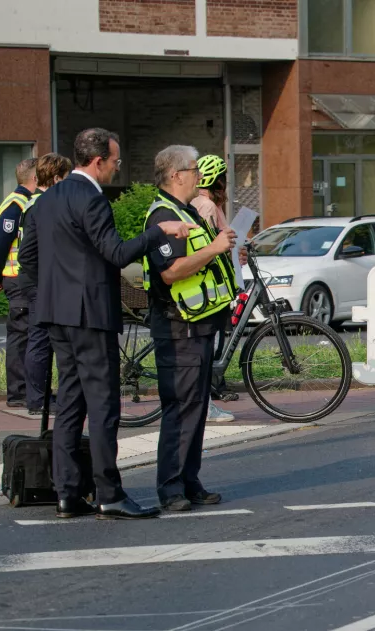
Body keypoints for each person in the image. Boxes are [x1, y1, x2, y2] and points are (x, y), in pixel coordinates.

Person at [20, 128, 194, 521]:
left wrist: (48, 295)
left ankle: (66, 493)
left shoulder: (45, 200)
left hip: (54, 313)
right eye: (115, 161)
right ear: (97, 161)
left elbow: (28, 259)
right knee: (102, 406)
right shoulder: (92, 199)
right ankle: (109, 493)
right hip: (90, 315)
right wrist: (157, 232)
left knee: (69, 401)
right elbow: (115, 253)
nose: (117, 167)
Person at [142, 145, 238, 511]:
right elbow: (171, 271)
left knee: (196, 406)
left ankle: (189, 479)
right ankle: (170, 488)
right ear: (176, 175)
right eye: (195, 170)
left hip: (197, 325)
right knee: (180, 407)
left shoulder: (185, 211)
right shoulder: (163, 215)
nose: (200, 176)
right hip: (177, 326)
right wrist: (214, 248)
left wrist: (223, 249)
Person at [17, 153, 73, 414]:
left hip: (37, 281)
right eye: (67, 177)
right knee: (40, 340)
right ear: (57, 177)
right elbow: (27, 254)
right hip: (39, 283)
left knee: (41, 340)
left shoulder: (35, 204)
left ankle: (39, 398)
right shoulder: (41, 205)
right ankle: (38, 400)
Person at [190, 154, 238, 414]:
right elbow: (211, 246)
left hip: (209, 283)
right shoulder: (206, 207)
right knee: (212, 342)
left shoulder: (203, 203)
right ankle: (206, 402)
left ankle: (208, 396)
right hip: (211, 285)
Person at [0, 158, 37, 408]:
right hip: (17, 278)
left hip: (19, 278)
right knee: (21, 337)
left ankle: (28, 391)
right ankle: (18, 393)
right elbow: (0, 245)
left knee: (29, 336)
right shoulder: (16, 205)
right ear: (35, 179)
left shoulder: (23, 203)